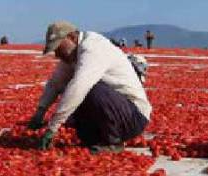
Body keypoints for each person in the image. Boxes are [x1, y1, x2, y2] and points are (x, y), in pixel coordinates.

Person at [28, 21, 151, 153]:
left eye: (58, 48)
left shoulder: (93, 48)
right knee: (69, 89)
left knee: (84, 88)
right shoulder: (72, 54)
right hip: (117, 112)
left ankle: (114, 142)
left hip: (133, 116)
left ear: (71, 37)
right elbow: (55, 83)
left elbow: (79, 87)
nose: (57, 54)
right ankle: (95, 139)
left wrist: (53, 128)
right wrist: (40, 111)